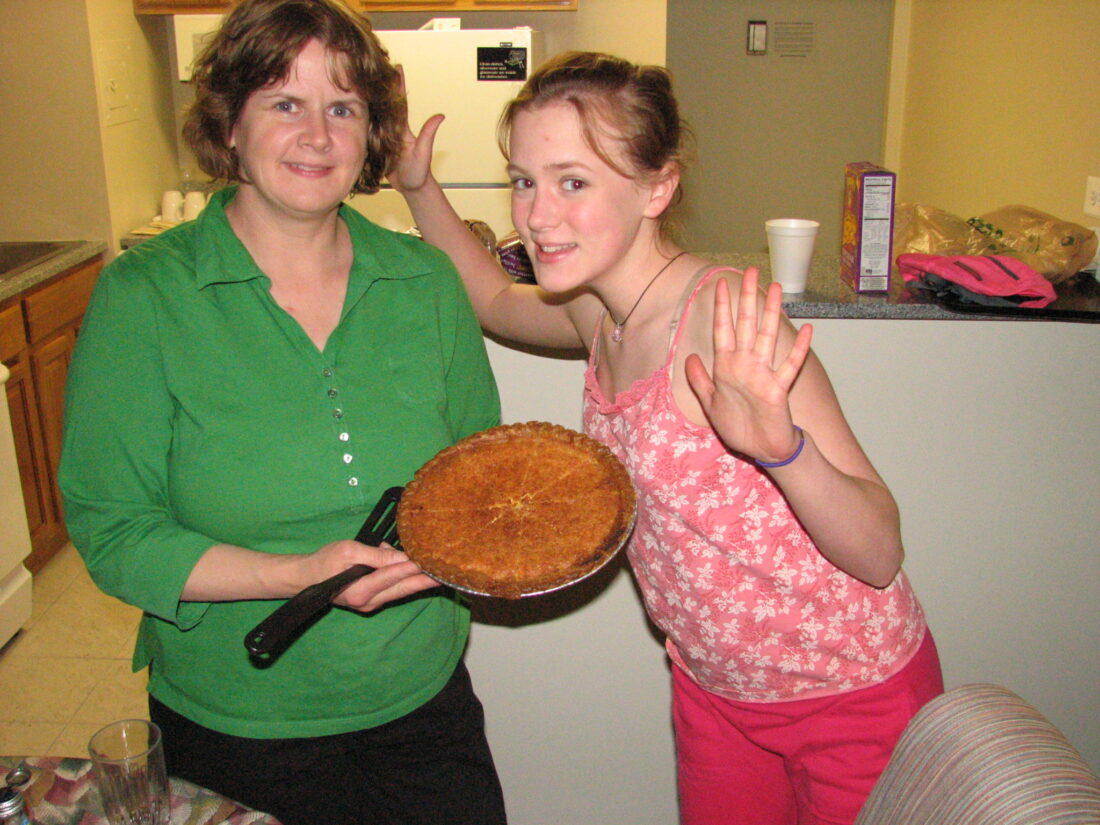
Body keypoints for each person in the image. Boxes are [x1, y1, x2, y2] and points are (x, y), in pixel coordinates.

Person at [392, 51, 944, 825]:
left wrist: (782, 448)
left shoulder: (721, 322)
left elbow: (880, 551)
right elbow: (487, 293)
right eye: (524, 180)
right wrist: (419, 188)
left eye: (573, 181)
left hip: (850, 694)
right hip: (714, 694)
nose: (537, 215)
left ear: (658, 186)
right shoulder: (597, 309)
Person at [58, 1, 507, 823]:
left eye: (343, 107)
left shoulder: (427, 283)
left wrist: (468, 548)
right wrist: (294, 575)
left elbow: (480, 480)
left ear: (372, 132)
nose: (318, 135)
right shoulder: (144, 296)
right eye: (284, 103)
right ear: (229, 124)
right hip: (234, 723)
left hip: (422, 705)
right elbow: (114, 532)